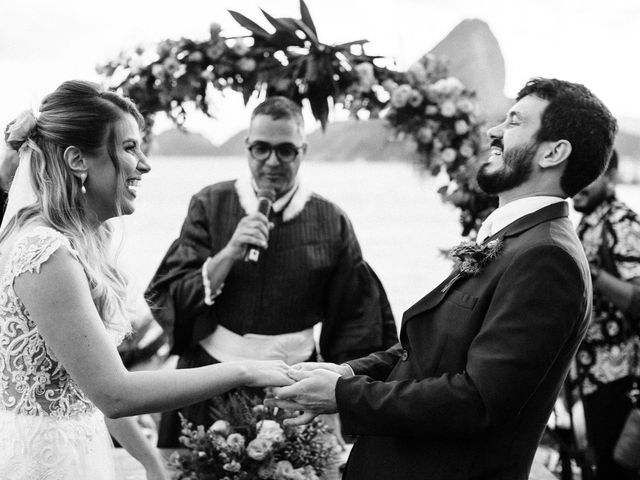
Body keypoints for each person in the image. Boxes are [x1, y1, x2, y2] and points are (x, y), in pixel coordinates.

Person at [268, 77, 618, 480]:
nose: (494, 131)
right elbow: (428, 354)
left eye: (515, 122)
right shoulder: (514, 238)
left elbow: (477, 400)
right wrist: (348, 373)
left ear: (554, 152)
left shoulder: (547, 258)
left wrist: (343, 398)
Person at [0, 80, 293, 480]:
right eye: (129, 147)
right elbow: (114, 393)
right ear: (77, 160)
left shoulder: (75, 244)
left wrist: (150, 461)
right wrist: (245, 371)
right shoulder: (44, 253)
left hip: (78, 452)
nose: (145, 164)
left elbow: (86, 384)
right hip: (43, 463)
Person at [145, 95, 398, 447]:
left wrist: (348, 400)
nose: (271, 162)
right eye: (260, 149)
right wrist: (230, 252)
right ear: (247, 147)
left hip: (294, 383)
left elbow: (357, 319)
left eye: (285, 151)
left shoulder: (333, 220)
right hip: (211, 376)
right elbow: (171, 293)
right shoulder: (209, 203)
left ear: (303, 150)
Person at [572, 149, 640, 480]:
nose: (578, 185)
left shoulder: (622, 223)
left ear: (611, 177)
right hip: (592, 373)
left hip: (620, 375)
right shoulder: (589, 220)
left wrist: (592, 272)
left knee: (616, 471)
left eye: (590, 175)